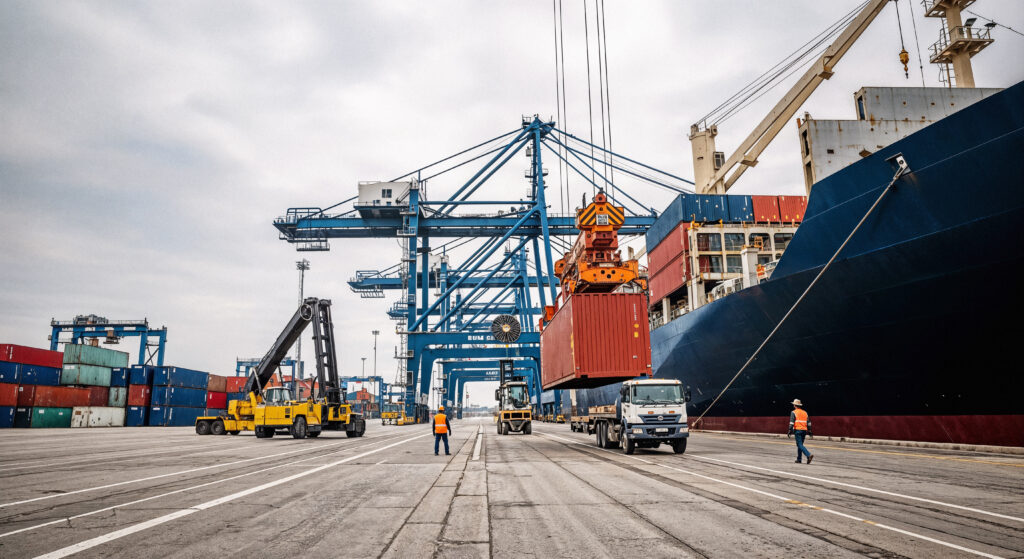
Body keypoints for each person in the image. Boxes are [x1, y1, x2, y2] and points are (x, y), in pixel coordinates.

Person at [787, 399, 814, 464]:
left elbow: (791, 422)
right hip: (804, 430)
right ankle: (799, 459)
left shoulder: (793, 412)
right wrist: (810, 430)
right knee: (800, 444)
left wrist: (790, 430)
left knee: (799, 444)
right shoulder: (805, 412)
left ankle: (808, 455)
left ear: (794, 405)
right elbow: (808, 422)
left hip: (798, 430)